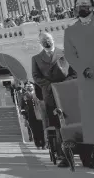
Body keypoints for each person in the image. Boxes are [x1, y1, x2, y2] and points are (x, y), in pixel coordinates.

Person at [64, 0, 94, 148]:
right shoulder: (70, 31)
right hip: (88, 79)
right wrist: (87, 71)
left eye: (84, 4)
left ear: (93, 6)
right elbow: (70, 55)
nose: (81, 7)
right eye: (78, 4)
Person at [32, 31, 77, 167]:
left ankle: (85, 152)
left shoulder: (64, 53)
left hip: (68, 93)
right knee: (58, 126)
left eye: (48, 38)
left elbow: (74, 72)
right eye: (44, 40)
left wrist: (64, 84)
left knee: (73, 122)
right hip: (51, 95)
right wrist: (50, 85)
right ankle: (63, 156)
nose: (47, 41)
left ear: (53, 39)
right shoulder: (36, 58)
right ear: (40, 43)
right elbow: (36, 76)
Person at [20, 84, 45, 149]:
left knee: (42, 130)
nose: (29, 88)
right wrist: (25, 116)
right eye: (28, 87)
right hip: (30, 115)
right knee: (34, 131)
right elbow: (22, 107)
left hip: (39, 114)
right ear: (26, 88)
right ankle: (38, 145)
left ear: (33, 87)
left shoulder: (37, 94)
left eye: (30, 86)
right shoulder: (24, 96)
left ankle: (43, 144)